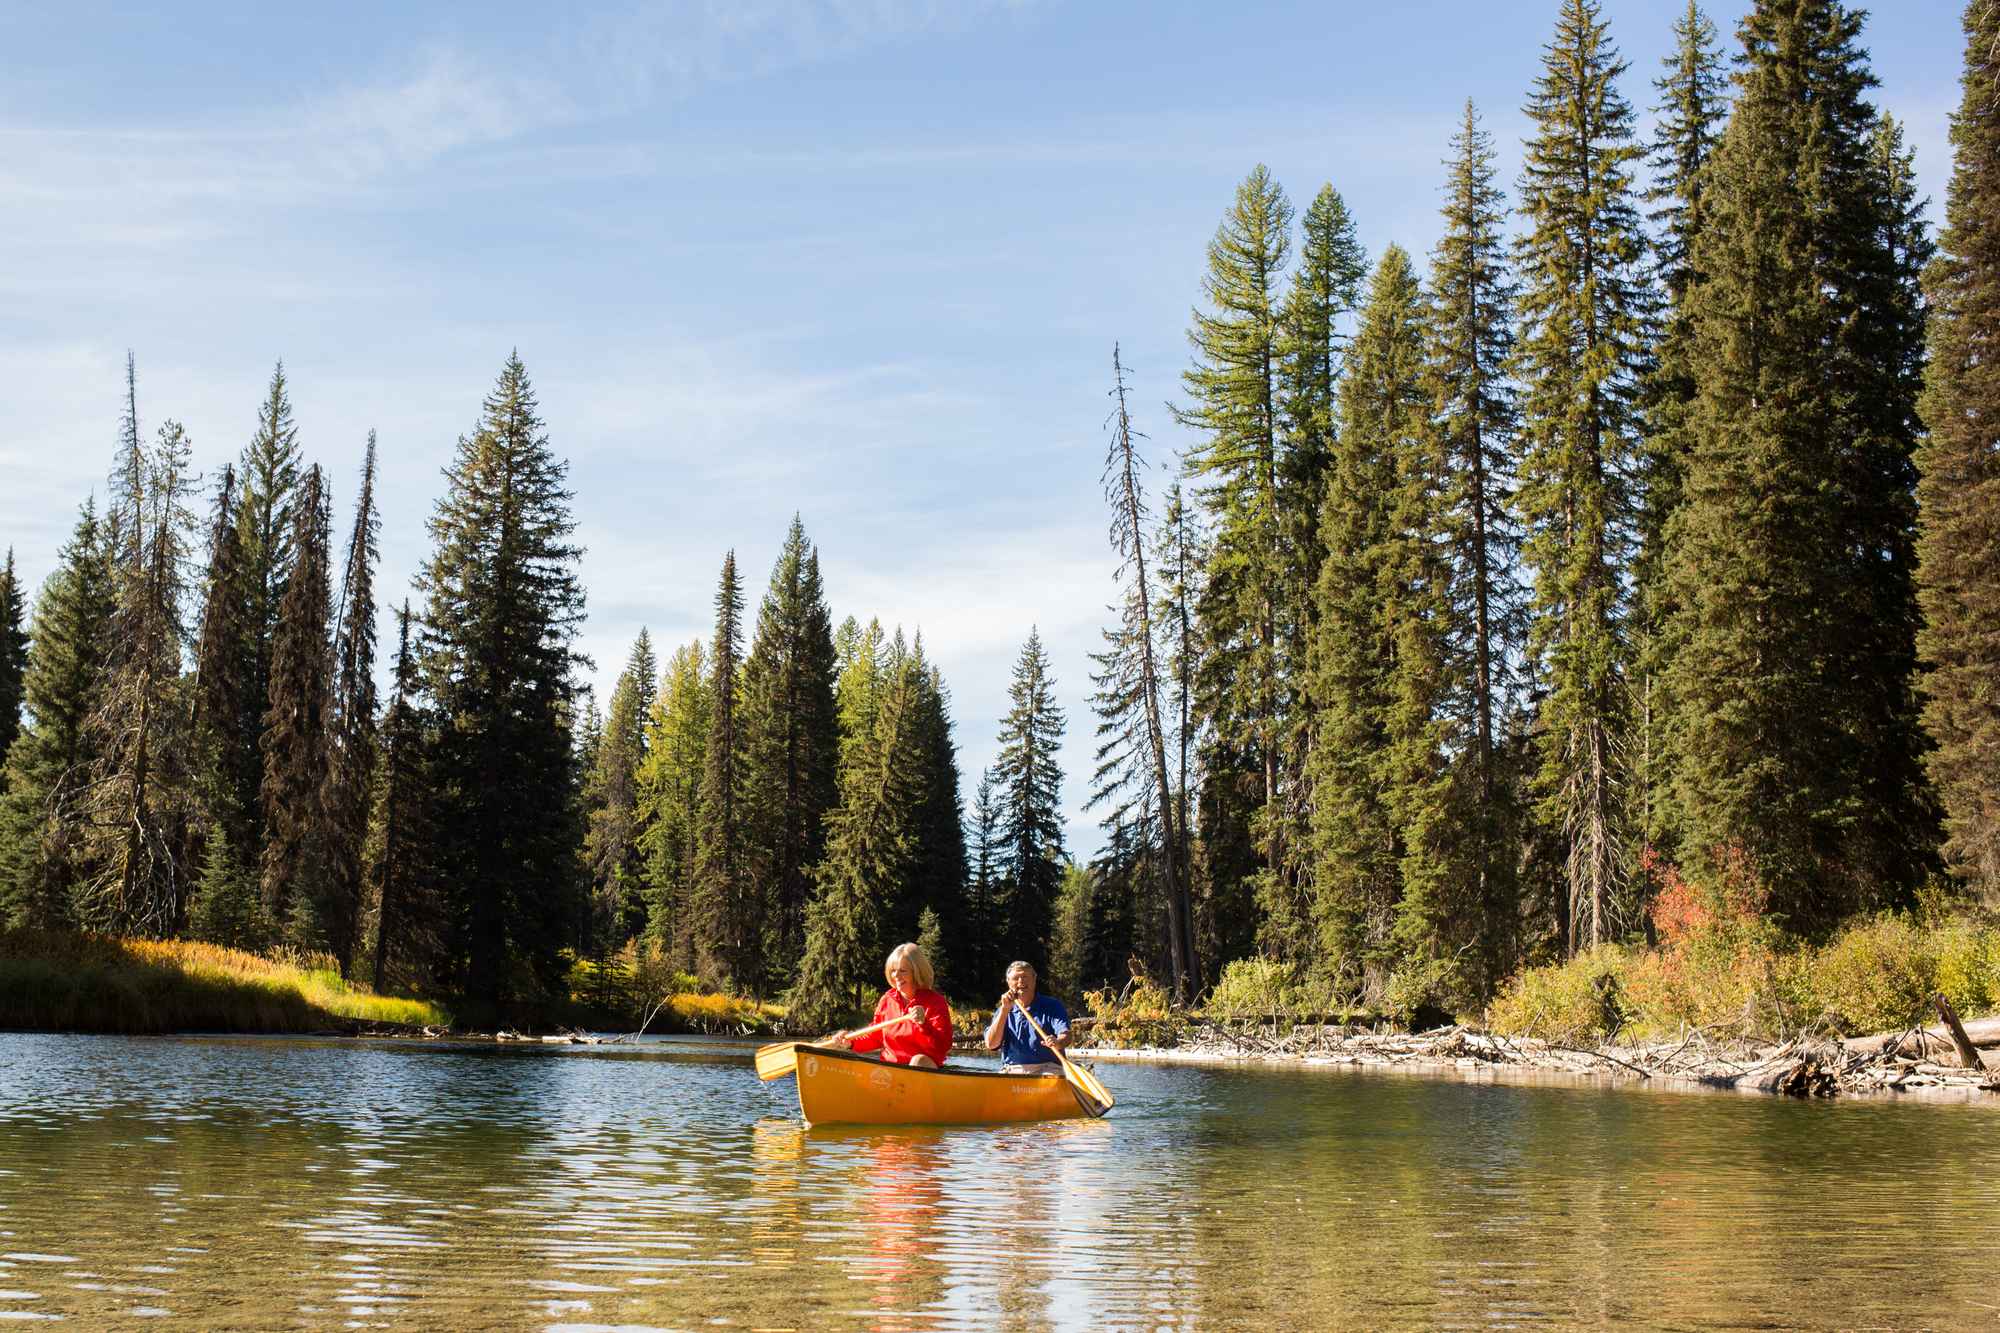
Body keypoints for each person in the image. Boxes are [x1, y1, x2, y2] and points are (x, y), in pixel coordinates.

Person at [828, 942, 953, 1069]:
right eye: (893, 971)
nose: (896, 976)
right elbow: (875, 1037)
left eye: (903, 971)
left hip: (922, 1071)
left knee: (918, 1060)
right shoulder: (887, 1000)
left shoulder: (936, 1002)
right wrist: (850, 1042)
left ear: (917, 973)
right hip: (890, 1071)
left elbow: (943, 1046)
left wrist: (923, 1024)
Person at [984, 960, 1069, 1075]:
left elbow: (1066, 1035)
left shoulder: (1052, 1005)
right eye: (1016, 978)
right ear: (1009, 982)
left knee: (1049, 1076)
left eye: (1025, 977)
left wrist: (1058, 1042)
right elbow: (991, 1044)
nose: (1021, 981)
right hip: (1012, 1069)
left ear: (1034, 980)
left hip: (1048, 1068)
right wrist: (1004, 1011)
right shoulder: (1002, 1010)